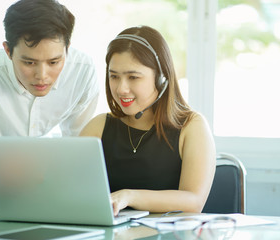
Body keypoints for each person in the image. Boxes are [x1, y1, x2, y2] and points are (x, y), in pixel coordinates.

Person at [80, 25, 216, 215]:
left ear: (161, 79)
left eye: (133, 77)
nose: (121, 89)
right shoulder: (99, 126)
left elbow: (193, 201)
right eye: (114, 76)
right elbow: (70, 191)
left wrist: (129, 196)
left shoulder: (192, 126)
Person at [0, 0, 99, 196]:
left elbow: (79, 147)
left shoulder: (83, 73)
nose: (42, 75)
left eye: (54, 62)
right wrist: (23, 174)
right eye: (29, 62)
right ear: (8, 51)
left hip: (52, 192)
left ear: (67, 48)